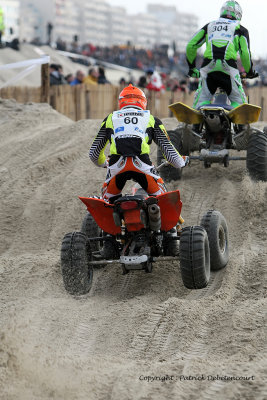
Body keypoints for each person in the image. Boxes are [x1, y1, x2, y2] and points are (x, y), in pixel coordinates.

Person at [89, 84, 189, 256]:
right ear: (143, 102)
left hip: (116, 169)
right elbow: (169, 151)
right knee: (163, 200)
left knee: (107, 204)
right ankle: (170, 240)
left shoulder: (110, 118)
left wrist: (104, 163)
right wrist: (181, 163)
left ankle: (109, 243)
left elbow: (93, 153)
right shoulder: (151, 119)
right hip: (143, 167)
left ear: (121, 102)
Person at [186, 1, 258, 109]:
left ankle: (196, 122)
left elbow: (191, 46)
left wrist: (192, 68)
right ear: (238, 15)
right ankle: (241, 125)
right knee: (240, 104)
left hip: (207, 66)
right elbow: (245, 53)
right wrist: (249, 71)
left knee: (200, 103)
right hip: (228, 67)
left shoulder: (209, 26)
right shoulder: (241, 29)